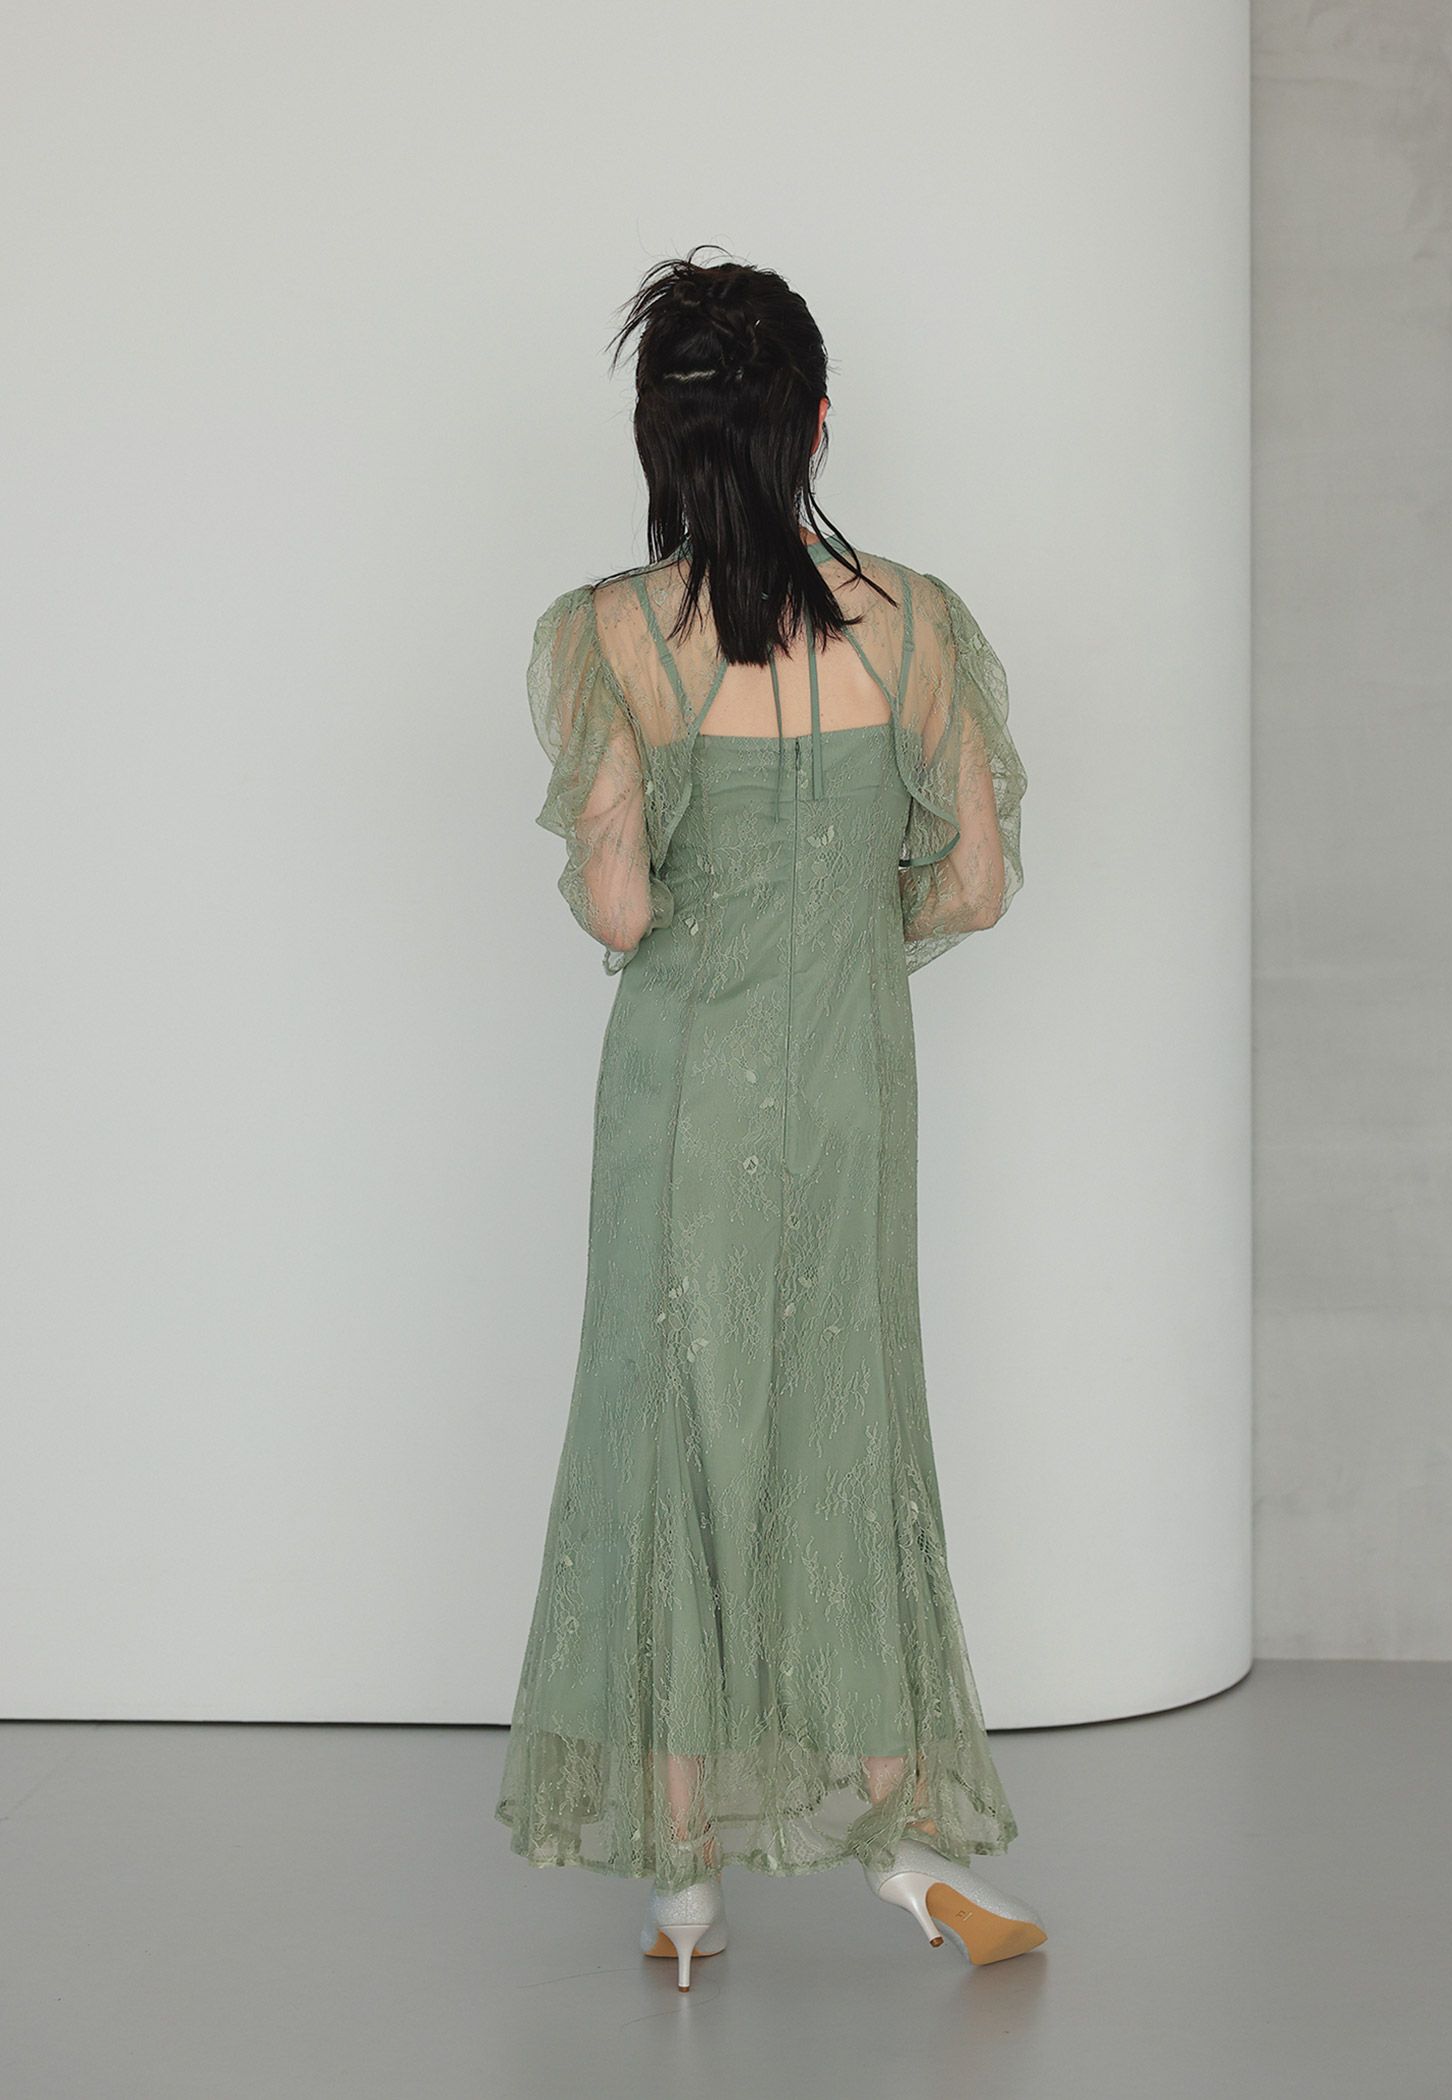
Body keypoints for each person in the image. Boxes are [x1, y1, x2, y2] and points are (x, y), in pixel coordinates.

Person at [495, 248, 1045, 1986]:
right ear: (815, 422)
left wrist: (691, 891)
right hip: (851, 1092)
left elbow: (619, 908)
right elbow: (975, 885)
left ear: (659, 438)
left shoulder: (607, 636)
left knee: (676, 1436)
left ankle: (684, 1893)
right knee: (848, 1425)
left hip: (680, 1103)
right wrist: (847, 930)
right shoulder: (921, 622)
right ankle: (899, 1840)